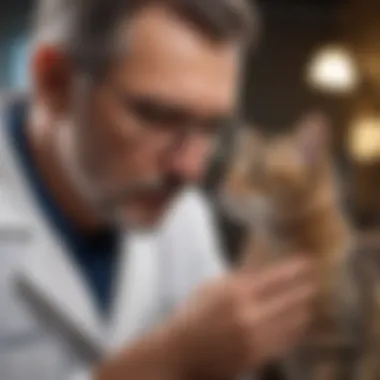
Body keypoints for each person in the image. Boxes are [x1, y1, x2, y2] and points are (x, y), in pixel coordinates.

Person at [0, 0, 317, 379]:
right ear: (55, 83)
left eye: (212, 127)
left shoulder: (183, 215)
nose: (191, 170)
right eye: (157, 116)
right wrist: (169, 361)